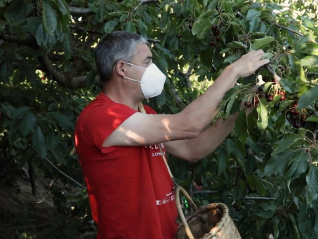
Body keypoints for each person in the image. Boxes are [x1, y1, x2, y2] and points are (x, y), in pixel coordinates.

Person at [74, 31, 269, 239]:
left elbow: (191, 148)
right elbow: (190, 124)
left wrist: (239, 111)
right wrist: (233, 71)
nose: (154, 69)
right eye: (147, 61)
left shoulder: (144, 114)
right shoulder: (101, 117)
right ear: (122, 68)